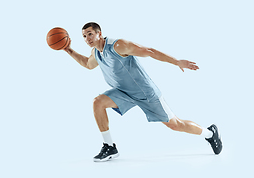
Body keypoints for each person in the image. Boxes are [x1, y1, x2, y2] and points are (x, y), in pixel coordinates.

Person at [64, 22, 222, 162]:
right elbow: (87, 64)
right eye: (84, 36)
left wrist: (176, 62)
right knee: (97, 102)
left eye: (90, 34)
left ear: (99, 33)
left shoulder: (118, 46)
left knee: (175, 125)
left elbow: (149, 51)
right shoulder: (96, 53)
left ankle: (209, 133)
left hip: (145, 93)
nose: (87, 38)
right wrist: (67, 49)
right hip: (123, 93)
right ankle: (109, 146)